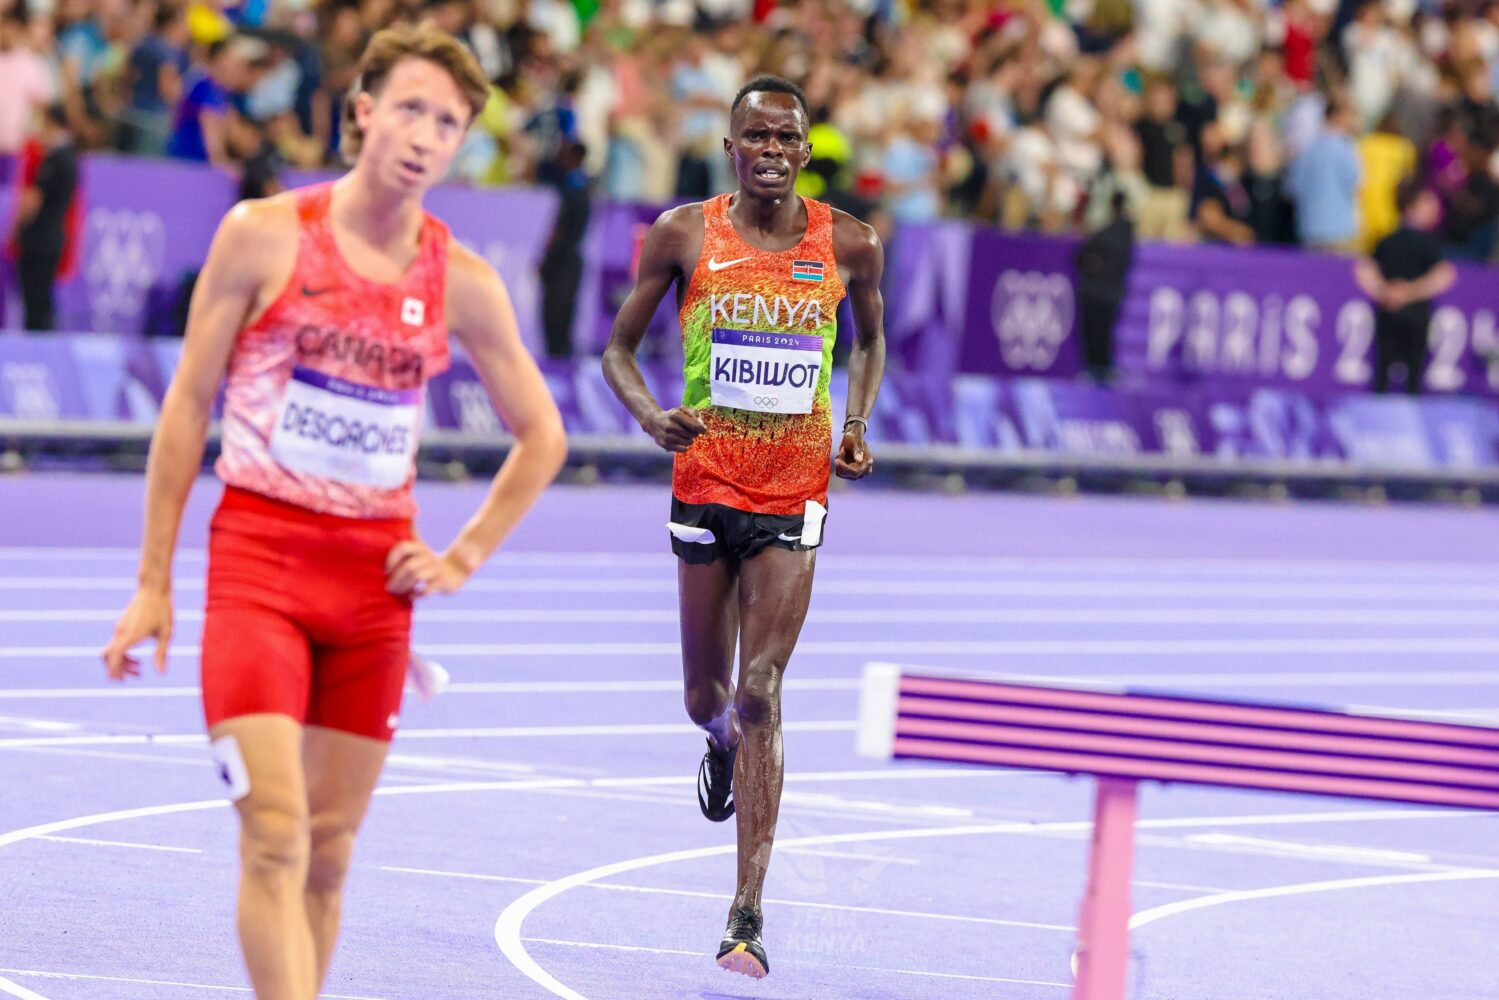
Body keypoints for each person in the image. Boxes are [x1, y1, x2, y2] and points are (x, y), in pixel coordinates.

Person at [101, 22, 567, 999]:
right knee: (272, 829)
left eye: (446, 122)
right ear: (361, 113)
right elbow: (188, 405)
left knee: (329, 852)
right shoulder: (263, 234)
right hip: (259, 563)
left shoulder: (462, 281)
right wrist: (153, 583)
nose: (423, 134)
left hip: (371, 590)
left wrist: (462, 555)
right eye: (407, 107)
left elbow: (543, 435)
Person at [601, 74, 886, 980]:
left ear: (806, 152)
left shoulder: (849, 243)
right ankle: (717, 743)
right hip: (704, 482)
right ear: (730, 149)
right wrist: (652, 416)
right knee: (708, 698)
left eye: (785, 139)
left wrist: (854, 422)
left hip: (793, 496)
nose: (769, 150)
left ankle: (746, 914)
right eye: (753, 137)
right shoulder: (684, 233)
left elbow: (870, 340)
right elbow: (615, 349)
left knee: (760, 688)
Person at [1354, 179, 1457, 394]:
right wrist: (1407, 294)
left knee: (1383, 371)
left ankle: (1380, 413)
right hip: (1415, 316)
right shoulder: (1429, 243)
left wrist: (1388, 292)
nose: (1434, 209)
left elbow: (1365, 270)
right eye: (1428, 204)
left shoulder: (1386, 240)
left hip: (1388, 312)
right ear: (1411, 208)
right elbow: (1444, 275)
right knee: (1413, 374)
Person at [12, 104, 78, 332]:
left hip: (40, 237)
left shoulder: (55, 159)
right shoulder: (71, 157)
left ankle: (35, 348)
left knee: (35, 299)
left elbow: (34, 199)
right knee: (42, 299)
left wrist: (16, 227)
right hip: (53, 236)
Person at [1074, 191, 1134, 383]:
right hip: (1109, 292)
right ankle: (1100, 368)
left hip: (1098, 292)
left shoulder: (1108, 234)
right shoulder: (1125, 234)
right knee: (1103, 332)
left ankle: (1097, 368)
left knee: (1096, 332)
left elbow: (1082, 257)